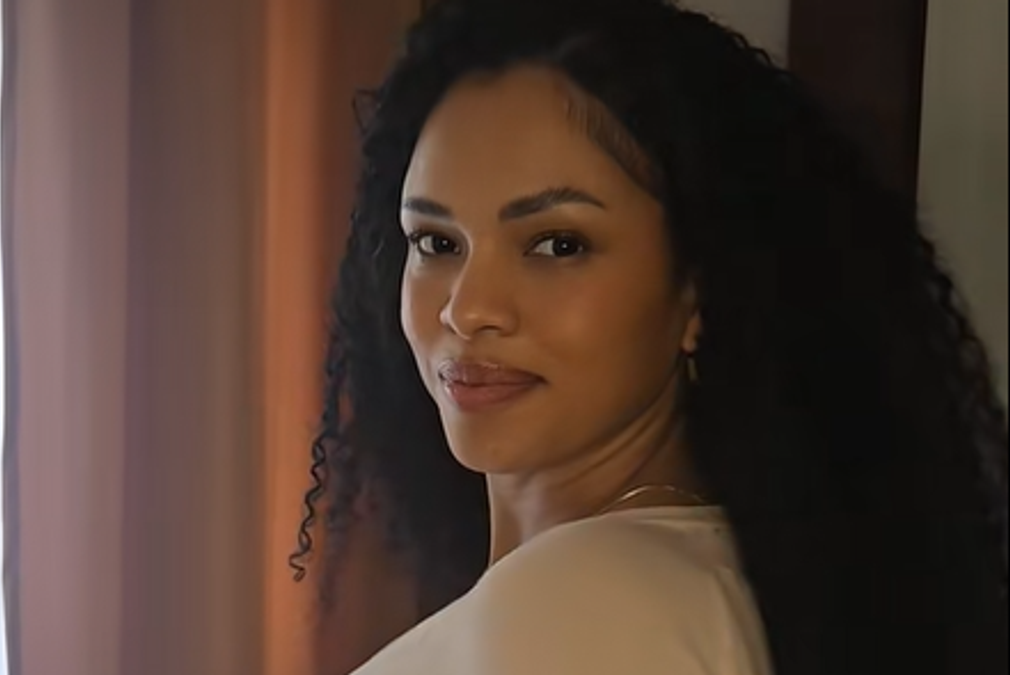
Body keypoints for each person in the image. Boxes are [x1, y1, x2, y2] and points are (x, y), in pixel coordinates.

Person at [290, 0, 1009, 673]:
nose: (468, 308)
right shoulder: (718, 579)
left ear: (699, 286)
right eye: (436, 242)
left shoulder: (578, 605)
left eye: (558, 244)